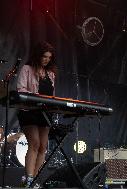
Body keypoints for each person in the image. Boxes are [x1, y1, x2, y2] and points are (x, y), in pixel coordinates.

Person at [17, 41, 57, 187]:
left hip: (45, 113)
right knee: (34, 143)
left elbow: (52, 96)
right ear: (38, 56)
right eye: (44, 56)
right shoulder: (27, 69)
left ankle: (34, 179)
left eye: (49, 57)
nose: (46, 60)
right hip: (29, 111)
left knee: (43, 147)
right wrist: (35, 98)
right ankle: (28, 178)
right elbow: (20, 89)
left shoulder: (51, 74)